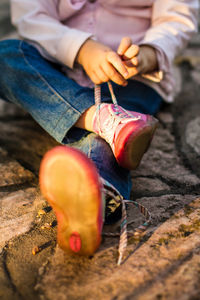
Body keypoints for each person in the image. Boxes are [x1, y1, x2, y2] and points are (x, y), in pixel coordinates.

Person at [0, 0, 198, 264]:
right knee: (6, 56)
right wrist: (81, 49)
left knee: (103, 145)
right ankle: (104, 119)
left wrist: (149, 54)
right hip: (58, 67)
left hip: (130, 78)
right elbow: (31, 15)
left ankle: (94, 201)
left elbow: (177, 15)